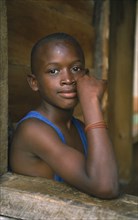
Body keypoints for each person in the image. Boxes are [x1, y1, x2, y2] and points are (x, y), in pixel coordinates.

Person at [10, 32, 119, 199]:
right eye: (53, 71)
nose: (68, 79)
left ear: (86, 75)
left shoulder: (82, 128)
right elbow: (105, 186)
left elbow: (110, 177)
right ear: (34, 82)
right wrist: (91, 102)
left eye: (75, 69)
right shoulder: (32, 130)